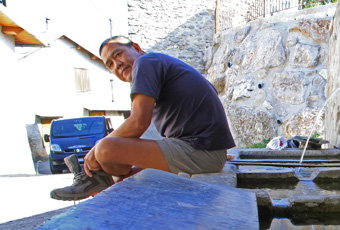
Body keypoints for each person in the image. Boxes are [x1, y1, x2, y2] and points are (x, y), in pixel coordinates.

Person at [51, 36, 236, 200]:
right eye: (110, 64)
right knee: (124, 177)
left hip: (200, 152)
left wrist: (96, 150)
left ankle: (94, 180)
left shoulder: (146, 62)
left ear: (137, 48)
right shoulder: (158, 65)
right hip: (205, 151)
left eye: (118, 54)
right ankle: (97, 181)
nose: (117, 64)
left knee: (106, 149)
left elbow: (138, 122)